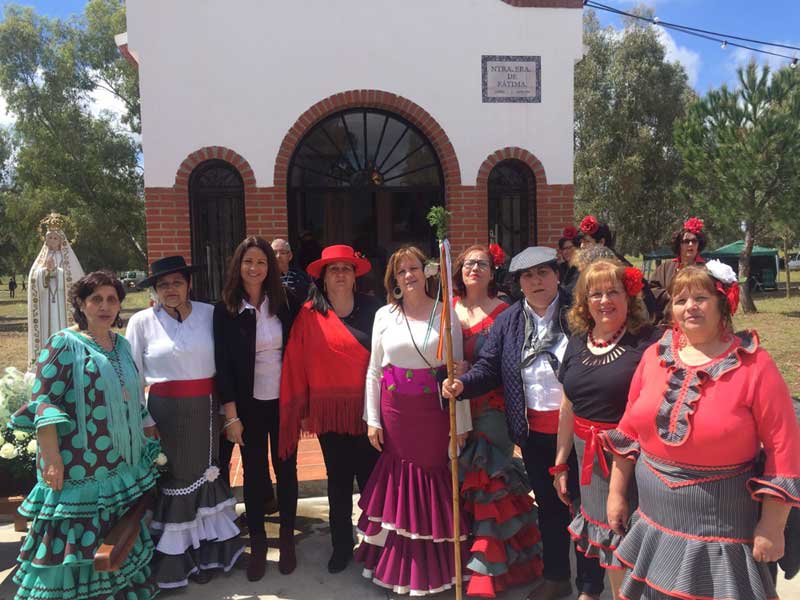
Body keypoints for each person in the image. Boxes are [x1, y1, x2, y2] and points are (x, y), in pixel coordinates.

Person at [603, 261, 800, 600]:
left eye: (701, 298)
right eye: (680, 300)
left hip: (722, 527)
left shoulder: (754, 364)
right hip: (654, 517)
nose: (689, 306)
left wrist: (772, 524)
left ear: (723, 303)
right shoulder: (655, 356)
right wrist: (616, 493)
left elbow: (784, 447)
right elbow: (630, 429)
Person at [444, 247, 605, 600]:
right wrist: (463, 384)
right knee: (549, 510)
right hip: (533, 434)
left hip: (580, 432)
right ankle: (557, 577)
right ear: (518, 283)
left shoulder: (578, 315)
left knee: (585, 509)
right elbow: (489, 367)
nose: (536, 281)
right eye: (527, 276)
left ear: (556, 276)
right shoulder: (509, 321)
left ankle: (590, 586)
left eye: (543, 273)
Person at [9, 270, 160, 600]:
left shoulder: (120, 345)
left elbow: (132, 396)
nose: (105, 307)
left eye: (112, 299)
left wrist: (148, 428)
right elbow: (44, 403)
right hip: (78, 465)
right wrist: (51, 459)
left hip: (118, 463)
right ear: (81, 303)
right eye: (96, 299)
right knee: (78, 539)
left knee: (115, 537)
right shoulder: (64, 344)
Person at [354, 245, 472, 596]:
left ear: (427, 272)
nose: (408, 276)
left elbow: (458, 373)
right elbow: (375, 371)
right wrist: (372, 420)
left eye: (414, 269)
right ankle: (398, 567)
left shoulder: (446, 315)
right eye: (401, 271)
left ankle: (438, 568)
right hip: (395, 416)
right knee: (400, 483)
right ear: (394, 278)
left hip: (434, 415)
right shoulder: (383, 317)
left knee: (435, 478)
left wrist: (460, 425)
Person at [126, 256, 244, 588]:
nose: (171, 289)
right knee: (174, 480)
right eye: (163, 285)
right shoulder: (141, 322)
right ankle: (178, 561)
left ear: (188, 284)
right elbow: (133, 375)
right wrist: (144, 418)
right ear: (155, 290)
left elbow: (223, 364)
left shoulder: (210, 314)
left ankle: (209, 554)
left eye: (177, 282)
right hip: (164, 414)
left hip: (206, 411)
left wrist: (227, 412)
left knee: (205, 477)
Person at [552, 259, 660, 600]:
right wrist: (559, 464)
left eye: (612, 292)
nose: (604, 301)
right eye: (595, 293)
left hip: (635, 463)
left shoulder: (649, 343)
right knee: (610, 551)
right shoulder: (576, 342)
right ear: (584, 301)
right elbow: (568, 406)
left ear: (629, 297)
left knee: (636, 546)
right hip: (589, 465)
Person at [279, 244, 382, 574]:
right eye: (333, 269)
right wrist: (299, 405)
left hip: (371, 414)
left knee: (372, 481)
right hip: (329, 415)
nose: (340, 274)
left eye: (346, 268)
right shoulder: (309, 314)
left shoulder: (374, 310)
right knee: (338, 482)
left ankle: (374, 542)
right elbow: (296, 361)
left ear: (355, 277)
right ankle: (341, 546)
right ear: (322, 278)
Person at [452, 245, 543, 598]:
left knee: (491, 484)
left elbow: (510, 365)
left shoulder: (506, 312)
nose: (475, 268)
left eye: (483, 264)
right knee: (463, 488)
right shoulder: (447, 311)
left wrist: (471, 371)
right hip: (455, 413)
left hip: (492, 413)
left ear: (493, 272)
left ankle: (489, 576)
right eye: (469, 263)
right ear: (459, 270)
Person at [213, 236, 301, 581]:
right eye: (248, 261)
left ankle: (288, 542)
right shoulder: (226, 309)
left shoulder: (286, 302)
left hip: (283, 402)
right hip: (247, 407)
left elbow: (299, 351)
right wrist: (231, 415)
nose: (255, 268)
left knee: (287, 470)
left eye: (261, 262)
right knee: (253, 473)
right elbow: (223, 364)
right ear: (239, 265)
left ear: (271, 267)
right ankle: (260, 543)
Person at [27, 213, 85, 367]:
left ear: (61, 240)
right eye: (49, 237)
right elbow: (33, 279)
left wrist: (56, 272)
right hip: (46, 303)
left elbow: (75, 280)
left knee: (63, 328)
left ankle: (67, 361)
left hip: (62, 302)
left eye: (55, 238)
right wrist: (44, 272)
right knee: (48, 330)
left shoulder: (69, 259)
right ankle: (44, 359)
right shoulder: (42, 258)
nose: (52, 240)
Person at [649, 217, 706, 324]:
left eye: (694, 241)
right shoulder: (665, 268)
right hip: (667, 324)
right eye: (686, 241)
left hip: (698, 323)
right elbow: (651, 292)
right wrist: (670, 295)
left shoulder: (708, 269)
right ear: (679, 245)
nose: (691, 244)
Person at [557, 227, 580, 295]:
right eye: (563, 249)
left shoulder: (582, 268)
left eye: (569, 248)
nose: (566, 252)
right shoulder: (559, 267)